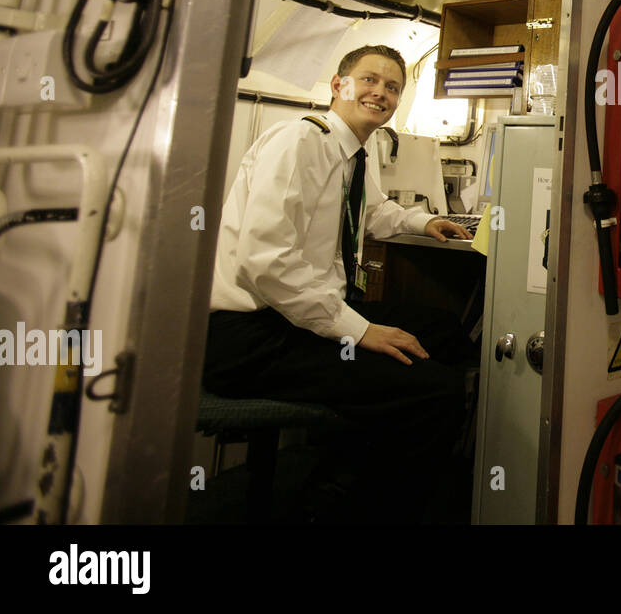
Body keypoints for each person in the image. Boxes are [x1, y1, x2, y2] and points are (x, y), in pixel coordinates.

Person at [204, 44, 477, 520]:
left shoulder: (351, 151)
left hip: (291, 318)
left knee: (443, 331)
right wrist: (359, 331)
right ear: (338, 85)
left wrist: (422, 222)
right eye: (369, 80)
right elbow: (264, 263)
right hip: (245, 335)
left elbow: (371, 212)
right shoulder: (300, 142)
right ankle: (349, 501)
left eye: (392, 87)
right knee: (435, 390)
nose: (380, 93)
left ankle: (352, 463)